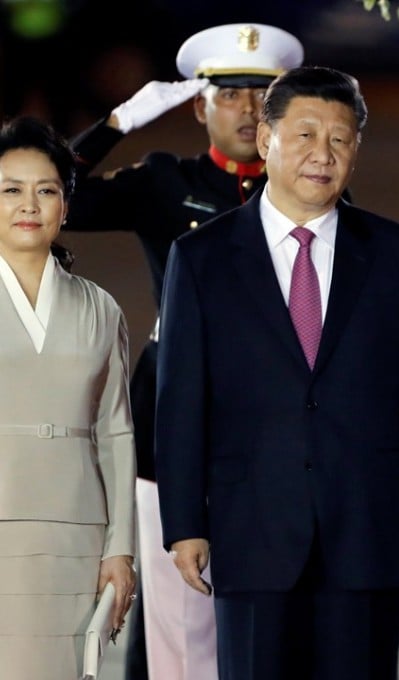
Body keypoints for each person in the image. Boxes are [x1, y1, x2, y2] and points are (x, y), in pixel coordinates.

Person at [155, 65, 399, 679]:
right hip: (251, 527)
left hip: (368, 528)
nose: (323, 155)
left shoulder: (397, 255)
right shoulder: (200, 258)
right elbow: (181, 401)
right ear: (266, 141)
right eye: (305, 135)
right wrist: (184, 523)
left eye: (341, 140)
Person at [64, 22, 303, 679]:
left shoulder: (312, 186)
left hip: (278, 422)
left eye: (265, 95)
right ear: (200, 107)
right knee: (175, 608)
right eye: (230, 96)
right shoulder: (165, 180)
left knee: (271, 600)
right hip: (177, 414)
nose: (250, 111)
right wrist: (117, 122)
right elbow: (51, 196)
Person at [0, 117, 136, 679]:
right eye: (11, 189)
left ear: (66, 206)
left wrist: (121, 548)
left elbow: (116, 431)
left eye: (46, 190)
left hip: (75, 536)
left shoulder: (100, 307)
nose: (29, 205)